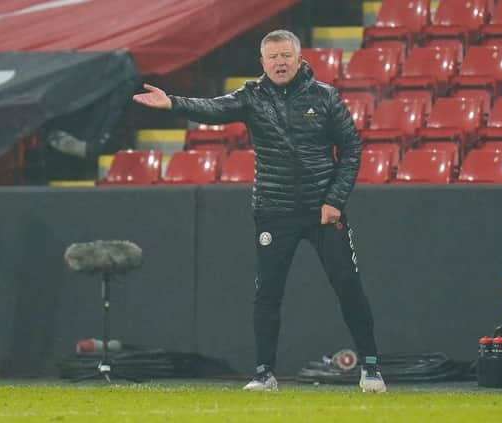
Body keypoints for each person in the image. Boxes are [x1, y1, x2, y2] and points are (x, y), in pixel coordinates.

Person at [133, 29, 386, 393]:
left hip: (322, 212)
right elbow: (214, 108)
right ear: (262, 62)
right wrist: (172, 102)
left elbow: (351, 150)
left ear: (299, 59)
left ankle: (371, 368)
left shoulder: (326, 97)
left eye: (286, 56)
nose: (280, 63)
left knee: (348, 286)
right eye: (273, 57)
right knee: (267, 293)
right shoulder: (250, 97)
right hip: (274, 211)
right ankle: (264, 373)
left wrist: (335, 200)